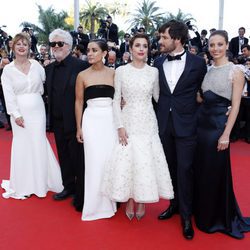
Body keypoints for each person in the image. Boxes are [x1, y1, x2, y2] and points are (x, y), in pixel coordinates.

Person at [101, 33, 174, 221]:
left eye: (145, 46)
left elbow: (158, 97)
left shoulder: (154, 72)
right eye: (138, 45)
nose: (142, 49)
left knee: (145, 161)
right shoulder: (121, 71)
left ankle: (141, 200)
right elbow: (116, 100)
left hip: (148, 122)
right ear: (131, 48)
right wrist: (119, 126)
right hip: (128, 121)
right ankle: (131, 199)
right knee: (128, 160)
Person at [194, 30, 250, 239]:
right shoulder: (207, 71)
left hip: (218, 127)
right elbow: (201, 99)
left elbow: (235, 106)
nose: (215, 48)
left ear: (227, 45)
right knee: (202, 171)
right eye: (211, 45)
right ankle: (203, 211)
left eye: (219, 44)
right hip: (201, 124)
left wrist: (226, 134)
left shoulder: (235, 71)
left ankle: (217, 217)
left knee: (215, 171)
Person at [154, 20, 207, 239]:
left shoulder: (198, 63)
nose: (160, 41)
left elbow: (205, 90)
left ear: (177, 38)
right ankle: (174, 205)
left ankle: (186, 216)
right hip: (163, 124)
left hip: (187, 124)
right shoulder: (157, 62)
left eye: (164, 37)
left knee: (185, 169)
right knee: (170, 168)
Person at [0, 33, 63, 199]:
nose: (22, 47)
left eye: (25, 44)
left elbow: (45, 84)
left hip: (38, 110)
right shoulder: (8, 69)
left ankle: (41, 182)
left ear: (29, 48)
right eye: (18, 44)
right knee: (22, 144)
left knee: (38, 141)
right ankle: (24, 183)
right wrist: (15, 114)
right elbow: (8, 94)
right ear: (13, 47)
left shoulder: (37, 66)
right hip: (19, 112)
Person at [45, 29, 89, 211]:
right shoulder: (48, 69)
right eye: (53, 44)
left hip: (75, 121)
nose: (56, 47)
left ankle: (82, 191)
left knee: (79, 158)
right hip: (57, 121)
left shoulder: (81, 66)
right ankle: (68, 186)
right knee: (63, 155)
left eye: (59, 43)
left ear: (69, 46)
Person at [75, 39, 117, 220]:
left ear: (105, 53)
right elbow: (78, 102)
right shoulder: (82, 75)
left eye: (94, 50)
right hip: (90, 121)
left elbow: (120, 100)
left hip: (110, 121)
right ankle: (92, 204)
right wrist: (78, 127)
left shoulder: (114, 74)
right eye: (88, 50)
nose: (89, 53)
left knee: (109, 160)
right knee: (93, 161)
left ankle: (110, 201)